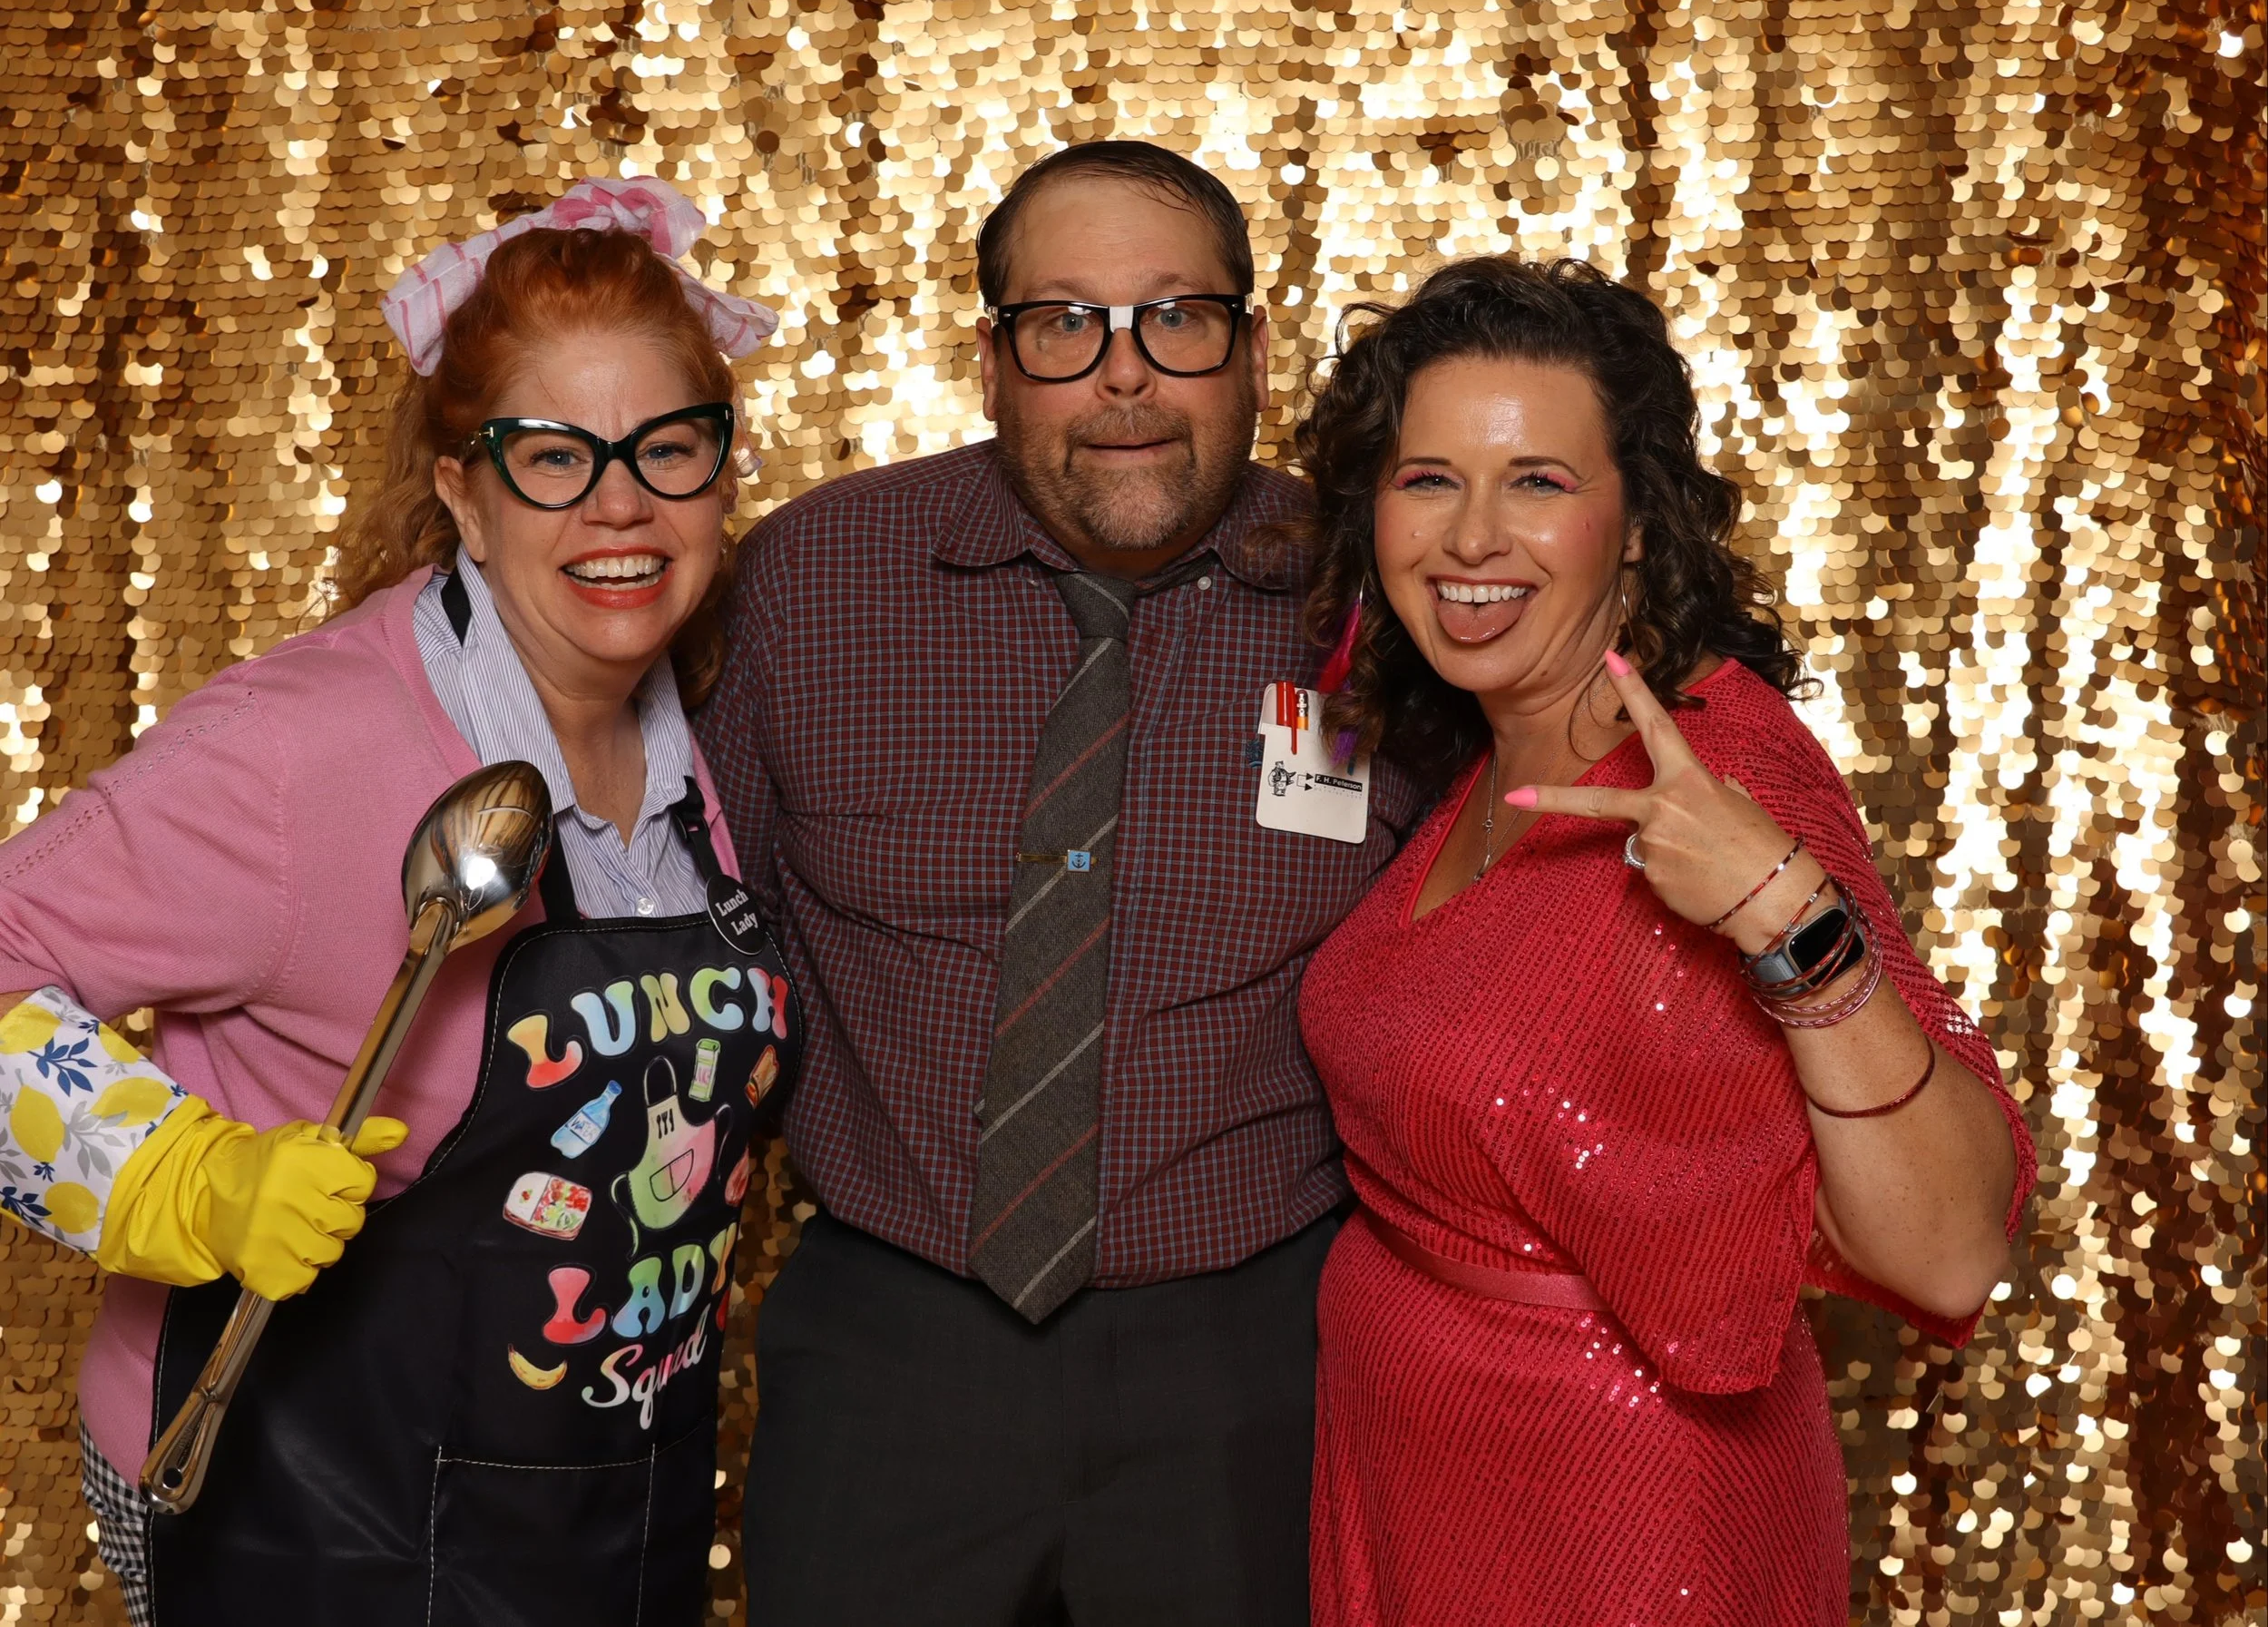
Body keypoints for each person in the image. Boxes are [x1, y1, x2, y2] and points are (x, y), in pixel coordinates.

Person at [0, 179, 797, 1626]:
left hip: (609, 1505)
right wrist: (179, 1174)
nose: (621, 505)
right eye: (554, 456)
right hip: (311, 1510)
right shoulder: (301, 749)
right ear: (462, 493)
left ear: (721, 475)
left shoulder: (707, 732)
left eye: (667, 450)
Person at [697, 140, 1427, 1624]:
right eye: (1063, 325)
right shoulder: (811, 582)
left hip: (1255, 1366)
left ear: (1254, 349)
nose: (1127, 377)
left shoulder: (1381, 602)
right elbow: (709, 951)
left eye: (1179, 318)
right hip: (892, 1359)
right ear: (993, 360)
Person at [1291, 257, 2037, 1624]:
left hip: (1618, 1511)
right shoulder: (1477, 751)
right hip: (1418, 1468)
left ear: (1635, 523)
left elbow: (1948, 1251)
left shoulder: (1718, 760)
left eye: (1538, 482)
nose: (1470, 538)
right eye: (1428, 478)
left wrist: (1792, 919)